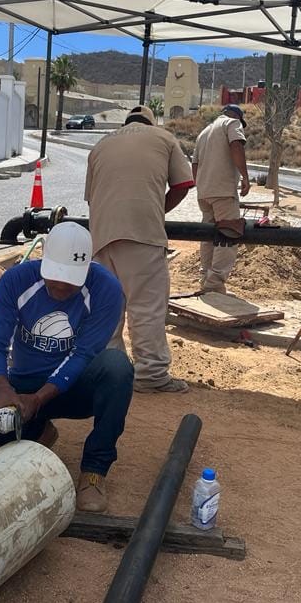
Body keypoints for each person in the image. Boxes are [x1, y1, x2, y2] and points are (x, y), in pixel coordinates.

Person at [0, 222, 133, 513]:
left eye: (70, 280)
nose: (61, 287)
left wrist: (39, 398)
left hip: (76, 387)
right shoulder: (16, 280)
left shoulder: (106, 289)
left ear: (87, 267)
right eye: (55, 277)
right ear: (43, 260)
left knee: (117, 367)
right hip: (24, 383)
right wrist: (2, 388)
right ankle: (38, 433)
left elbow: (83, 353)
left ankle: (94, 471)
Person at [85, 105, 195, 394]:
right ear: (151, 122)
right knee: (146, 309)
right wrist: (158, 211)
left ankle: (111, 373)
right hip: (142, 234)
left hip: (101, 237)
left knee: (107, 310)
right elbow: (183, 184)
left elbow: (92, 199)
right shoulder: (164, 138)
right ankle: (151, 375)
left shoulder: (100, 146)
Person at [192, 103, 251, 293]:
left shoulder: (204, 133)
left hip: (204, 192)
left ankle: (205, 279)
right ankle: (215, 284)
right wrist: (245, 177)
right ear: (237, 116)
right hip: (223, 190)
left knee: (208, 236)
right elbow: (236, 146)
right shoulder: (232, 123)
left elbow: (195, 164)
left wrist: (200, 185)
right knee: (228, 235)